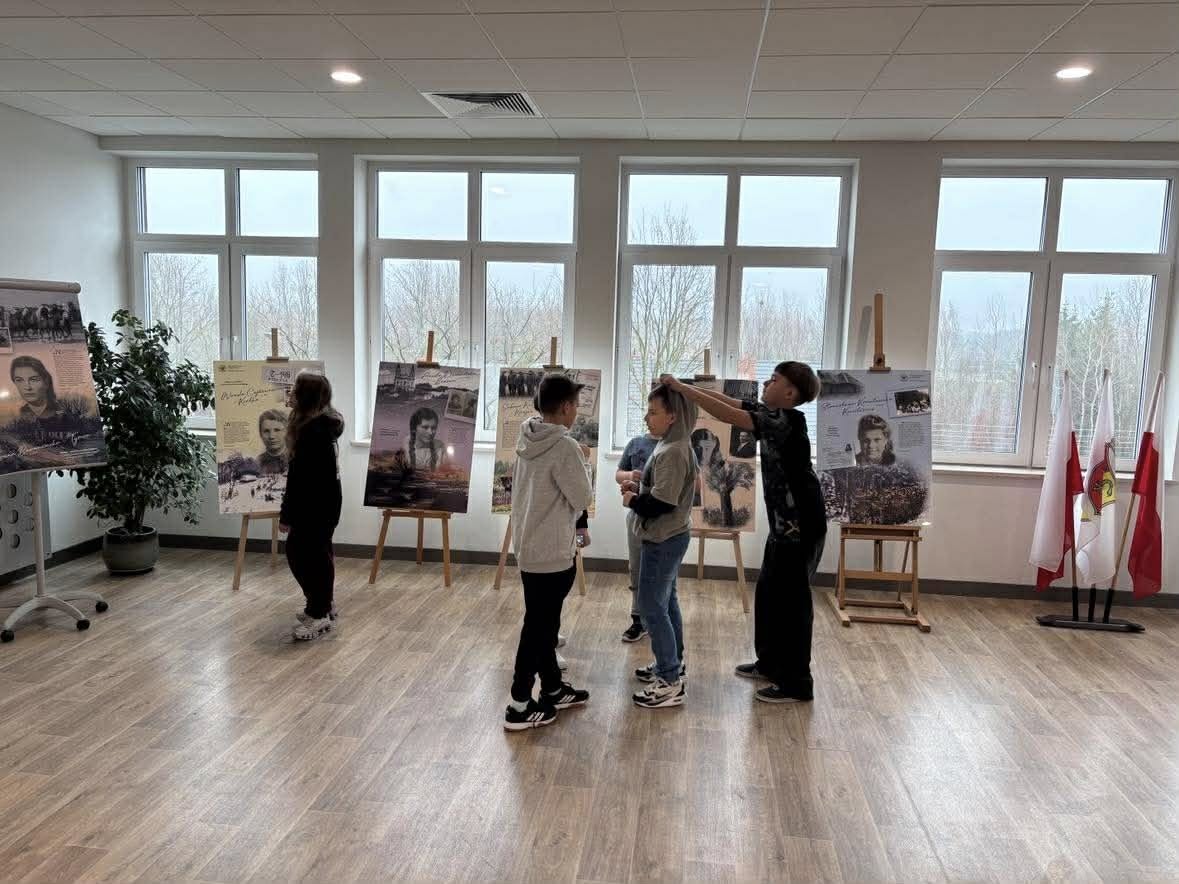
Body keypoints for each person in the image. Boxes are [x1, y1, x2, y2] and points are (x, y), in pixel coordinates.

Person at [661, 362, 826, 704]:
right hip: (783, 525)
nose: (766, 383)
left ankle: (797, 682)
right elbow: (728, 402)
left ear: (790, 393)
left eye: (774, 380)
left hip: (802, 525)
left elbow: (728, 415)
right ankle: (770, 663)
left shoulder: (787, 420)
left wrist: (682, 388)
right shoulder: (770, 413)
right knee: (768, 592)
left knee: (793, 603)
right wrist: (687, 388)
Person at [505, 374, 594, 731]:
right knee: (538, 628)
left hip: (529, 547)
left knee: (543, 623)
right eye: (577, 406)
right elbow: (582, 497)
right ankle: (519, 704)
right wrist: (585, 461)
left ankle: (553, 688)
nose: (577, 412)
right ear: (567, 406)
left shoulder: (526, 436)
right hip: (554, 552)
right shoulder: (565, 447)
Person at [623, 383, 698, 710]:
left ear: (673, 416)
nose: (646, 417)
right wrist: (641, 485)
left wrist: (633, 500)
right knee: (666, 602)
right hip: (670, 535)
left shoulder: (673, 451)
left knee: (651, 605)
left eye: (653, 412)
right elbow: (663, 490)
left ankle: (669, 681)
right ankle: (672, 663)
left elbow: (662, 503)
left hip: (663, 537)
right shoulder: (671, 445)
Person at [279, 372, 345, 642]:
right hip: (324, 503)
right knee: (317, 555)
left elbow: (299, 480)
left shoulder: (312, 432)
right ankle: (322, 606)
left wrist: (287, 515)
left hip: (315, 506)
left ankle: (319, 612)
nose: (291, 394)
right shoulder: (320, 426)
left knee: (303, 556)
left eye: (295, 390)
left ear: (304, 397)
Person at [615, 429, 657, 642]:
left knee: (659, 571)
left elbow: (695, 484)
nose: (648, 418)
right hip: (636, 514)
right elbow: (619, 474)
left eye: (653, 413)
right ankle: (638, 618)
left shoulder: (677, 445)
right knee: (636, 567)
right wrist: (630, 477)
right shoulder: (636, 443)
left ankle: (658, 617)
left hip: (663, 519)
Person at [404, 407, 447, 471]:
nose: (430, 432)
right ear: (414, 428)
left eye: (433, 428)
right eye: (425, 427)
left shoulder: (440, 446)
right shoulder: (406, 443)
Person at [257, 409, 288, 476]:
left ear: (286, 432)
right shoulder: (257, 463)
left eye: (277, 430)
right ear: (260, 434)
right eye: (266, 431)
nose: (271, 436)